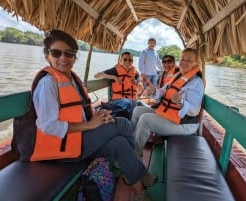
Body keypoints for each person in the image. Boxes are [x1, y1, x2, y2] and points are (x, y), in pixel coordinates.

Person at [30, 30, 156, 201]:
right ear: (47, 55)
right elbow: (48, 125)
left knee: (119, 143)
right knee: (123, 124)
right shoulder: (48, 83)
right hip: (64, 150)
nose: (63, 58)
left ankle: (139, 190)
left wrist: (97, 116)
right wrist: (90, 125)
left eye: (69, 53)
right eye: (56, 53)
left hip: (80, 140)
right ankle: (138, 170)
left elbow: (77, 111)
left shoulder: (71, 78)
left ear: (75, 57)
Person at [131, 48, 205, 157]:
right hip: (170, 115)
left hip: (184, 123)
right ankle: (131, 141)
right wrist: (154, 91)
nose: (184, 62)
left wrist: (181, 102)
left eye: (189, 60)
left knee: (145, 119)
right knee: (137, 110)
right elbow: (163, 91)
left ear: (196, 64)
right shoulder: (178, 76)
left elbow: (194, 111)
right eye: (182, 58)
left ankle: (134, 154)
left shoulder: (196, 83)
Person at [94, 52, 144, 118]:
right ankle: (132, 125)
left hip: (131, 99)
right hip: (118, 100)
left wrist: (137, 83)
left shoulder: (135, 73)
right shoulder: (115, 70)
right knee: (132, 103)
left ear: (132, 61)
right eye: (125, 59)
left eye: (130, 60)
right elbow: (96, 75)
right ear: (121, 61)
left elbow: (141, 88)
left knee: (142, 105)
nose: (127, 62)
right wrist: (114, 77)